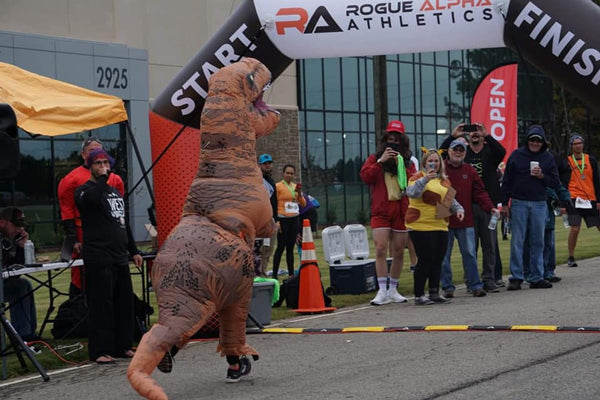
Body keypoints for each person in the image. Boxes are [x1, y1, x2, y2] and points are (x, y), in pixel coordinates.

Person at [74, 148, 142, 364]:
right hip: (98, 256)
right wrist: (103, 180)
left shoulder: (114, 193)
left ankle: (123, 345)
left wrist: (134, 250)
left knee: (124, 303)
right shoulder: (84, 190)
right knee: (101, 304)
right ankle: (100, 350)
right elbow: (92, 200)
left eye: (105, 162)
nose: (103, 166)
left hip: (119, 255)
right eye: (98, 163)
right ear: (90, 167)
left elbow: (122, 222)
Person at [441, 122, 506, 291]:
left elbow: (502, 152)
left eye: (478, 131)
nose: (458, 152)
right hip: (458, 207)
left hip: (484, 205)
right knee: (452, 251)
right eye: (472, 132)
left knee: (487, 246)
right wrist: (453, 136)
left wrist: (487, 135)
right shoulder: (451, 161)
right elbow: (437, 155)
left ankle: (486, 280)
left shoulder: (484, 156)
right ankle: (453, 285)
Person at [58, 136, 125, 297]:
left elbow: (119, 209)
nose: (96, 153)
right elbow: (66, 209)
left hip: (110, 235)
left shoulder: (115, 179)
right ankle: (78, 302)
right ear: (83, 155)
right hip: (84, 231)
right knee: (81, 272)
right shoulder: (71, 180)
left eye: (100, 150)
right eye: (91, 151)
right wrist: (73, 237)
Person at [360, 120, 417, 305]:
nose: (393, 143)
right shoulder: (375, 158)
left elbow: (413, 183)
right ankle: (382, 290)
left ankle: (393, 288)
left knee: (399, 251)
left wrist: (401, 165)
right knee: (380, 248)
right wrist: (381, 161)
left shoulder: (408, 161)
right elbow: (366, 176)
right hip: (381, 210)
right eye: (390, 139)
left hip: (401, 209)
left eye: (397, 140)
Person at [502, 125, 560, 290]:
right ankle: (516, 277)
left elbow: (555, 182)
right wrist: (505, 203)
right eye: (532, 140)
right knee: (517, 242)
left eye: (538, 140)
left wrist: (542, 176)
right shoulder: (516, 155)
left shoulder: (548, 158)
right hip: (519, 202)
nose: (535, 143)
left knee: (538, 241)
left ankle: (536, 276)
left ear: (543, 143)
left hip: (540, 203)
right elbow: (507, 181)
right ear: (527, 140)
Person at [405, 150, 464, 305]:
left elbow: (450, 200)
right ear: (425, 162)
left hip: (440, 224)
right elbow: (411, 193)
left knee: (438, 259)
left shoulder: (444, 181)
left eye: (437, 161)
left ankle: (434, 292)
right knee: (425, 259)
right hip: (420, 225)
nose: (434, 163)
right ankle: (418, 295)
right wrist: (425, 179)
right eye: (431, 160)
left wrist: (459, 210)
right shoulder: (417, 177)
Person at [0, 207, 38, 341]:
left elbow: (17, 269)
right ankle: (23, 335)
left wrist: (21, 246)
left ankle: (29, 332)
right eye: (15, 226)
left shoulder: (6, 240)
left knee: (23, 283)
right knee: (19, 286)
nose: (19, 230)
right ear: (2, 222)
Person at [564, 134, 600, 267]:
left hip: (590, 198)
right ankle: (571, 256)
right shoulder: (567, 161)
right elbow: (563, 181)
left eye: (580, 143)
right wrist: (563, 202)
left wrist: (598, 200)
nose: (578, 145)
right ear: (571, 146)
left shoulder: (590, 159)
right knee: (575, 228)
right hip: (574, 198)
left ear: (583, 145)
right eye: (575, 144)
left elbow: (597, 180)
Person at [272, 164, 306, 279]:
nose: (289, 175)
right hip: (283, 219)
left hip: (294, 219)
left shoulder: (295, 187)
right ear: (283, 173)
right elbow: (274, 204)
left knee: (290, 248)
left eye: (291, 173)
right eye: (287, 173)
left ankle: (291, 274)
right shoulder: (278, 186)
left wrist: (300, 193)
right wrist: (276, 221)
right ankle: (275, 274)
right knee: (281, 247)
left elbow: (303, 204)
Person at [257, 153, 278, 274]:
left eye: (269, 163)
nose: (267, 166)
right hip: (261, 220)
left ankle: (263, 272)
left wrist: (276, 219)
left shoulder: (271, 180)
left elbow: (274, 202)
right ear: (259, 165)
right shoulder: (258, 180)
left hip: (271, 220)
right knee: (261, 249)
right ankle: (260, 273)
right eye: (265, 164)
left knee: (269, 248)